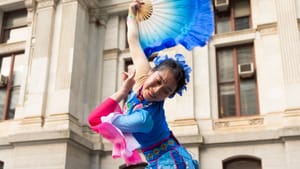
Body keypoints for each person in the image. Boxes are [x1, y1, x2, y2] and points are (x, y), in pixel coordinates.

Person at [88, 0, 199, 168]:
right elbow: (133, 40)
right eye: (158, 81)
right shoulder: (141, 77)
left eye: (166, 91)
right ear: (151, 71)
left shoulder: (143, 118)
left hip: (171, 163)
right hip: (161, 159)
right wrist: (132, 13)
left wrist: (123, 91)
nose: (156, 90)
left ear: (169, 96)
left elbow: (95, 119)